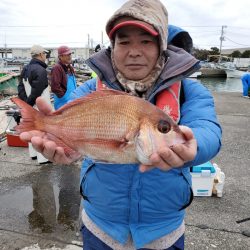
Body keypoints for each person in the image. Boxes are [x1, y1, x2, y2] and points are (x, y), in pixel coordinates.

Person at [20, 0, 222, 249]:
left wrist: (195, 145)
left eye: (146, 41)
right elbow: (70, 120)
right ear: (112, 47)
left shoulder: (190, 91)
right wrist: (59, 141)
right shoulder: (90, 90)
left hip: (164, 230)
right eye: (124, 42)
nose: (134, 51)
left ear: (162, 47)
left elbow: (208, 128)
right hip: (100, 226)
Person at [17, 44, 51, 164]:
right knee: (41, 130)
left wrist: (26, 103)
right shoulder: (40, 70)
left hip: (29, 105)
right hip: (39, 105)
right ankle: (43, 158)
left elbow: (20, 87)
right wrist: (31, 103)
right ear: (41, 54)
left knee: (31, 128)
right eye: (45, 54)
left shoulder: (25, 69)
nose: (46, 56)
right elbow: (38, 89)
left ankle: (33, 154)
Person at [50, 45, 77, 110]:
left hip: (72, 103)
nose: (69, 56)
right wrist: (65, 98)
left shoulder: (69, 68)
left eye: (70, 54)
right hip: (63, 104)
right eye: (67, 55)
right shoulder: (57, 68)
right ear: (60, 57)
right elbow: (55, 88)